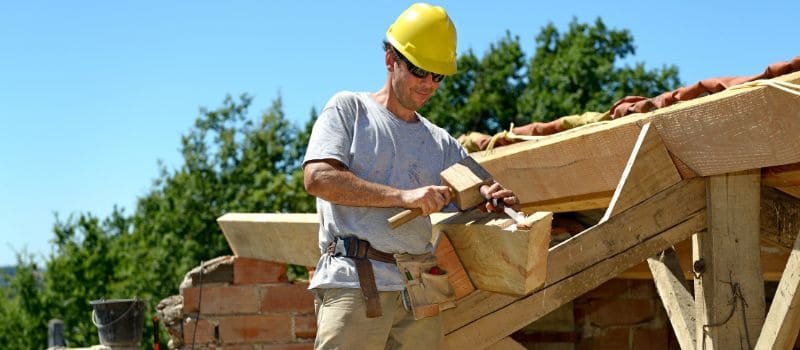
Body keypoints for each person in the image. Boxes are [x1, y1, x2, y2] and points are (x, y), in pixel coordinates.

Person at [302, 3, 517, 349]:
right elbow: (318, 178)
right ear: (390, 59)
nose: (429, 84)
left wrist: (495, 201)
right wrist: (404, 197)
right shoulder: (350, 110)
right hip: (358, 283)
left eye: (438, 76)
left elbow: (480, 195)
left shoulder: (441, 142)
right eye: (420, 71)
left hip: (421, 291)